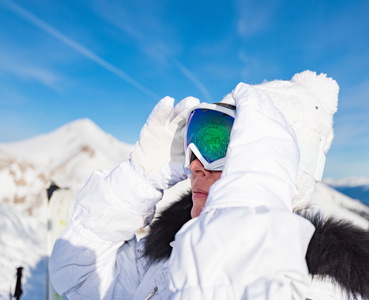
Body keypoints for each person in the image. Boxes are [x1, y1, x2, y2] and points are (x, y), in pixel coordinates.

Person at [49, 72, 369, 299]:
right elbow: (79, 280)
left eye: (220, 145)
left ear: (275, 166)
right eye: (199, 137)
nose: (195, 164)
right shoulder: (173, 249)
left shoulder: (315, 287)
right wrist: (140, 177)